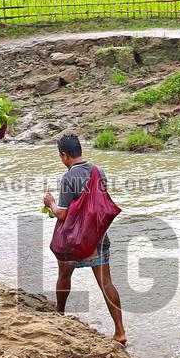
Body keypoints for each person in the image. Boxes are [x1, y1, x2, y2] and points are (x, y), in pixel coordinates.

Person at [43, 134, 126, 345]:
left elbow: (61, 214)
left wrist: (50, 202)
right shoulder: (99, 171)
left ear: (64, 156)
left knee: (64, 276)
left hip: (72, 239)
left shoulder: (69, 177)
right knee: (106, 283)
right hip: (97, 236)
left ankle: (59, 314)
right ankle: (120, 331)